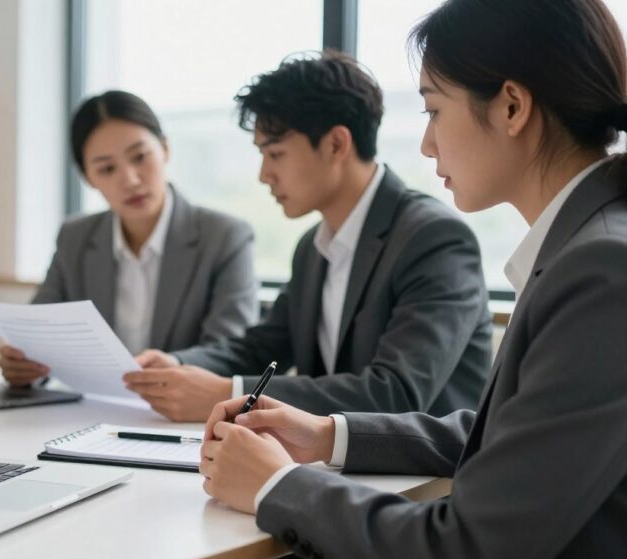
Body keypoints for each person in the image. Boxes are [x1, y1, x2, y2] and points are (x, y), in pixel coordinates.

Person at [202, 0, 627, 559]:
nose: (426, 145)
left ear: (511, 106)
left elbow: (469, 553)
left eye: (433, 109)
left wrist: (278, 485)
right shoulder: (587, 245)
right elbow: (506, 435)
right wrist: (327, 435)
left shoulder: (602, 268)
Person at [124, 52, 492, 422]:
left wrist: (232, 394)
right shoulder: (313, 247)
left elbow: (395, 393)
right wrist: (176, 365)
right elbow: (264, 347)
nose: (264, 175)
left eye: (276, 154)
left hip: (428, 474)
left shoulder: (434, 239)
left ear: (336, 144)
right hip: (336, 466)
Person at [0, 90, 259, 387]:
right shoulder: (75, 237)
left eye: (140, 157)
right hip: (91, 410)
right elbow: (38, 331)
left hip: (180, 417)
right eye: (107, 169)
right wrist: (24, 362)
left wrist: (175, 366)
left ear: (165, 149)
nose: (130, 180)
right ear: (88, 178)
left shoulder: (225, 237)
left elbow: (231, 353)